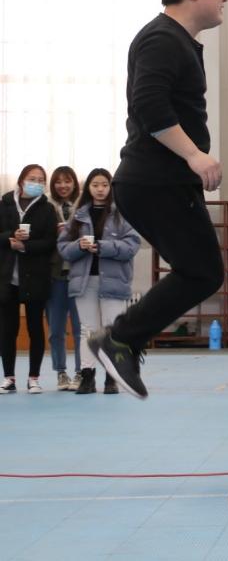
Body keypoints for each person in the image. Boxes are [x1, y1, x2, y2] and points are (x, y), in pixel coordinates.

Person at [88, 0, 227, 399]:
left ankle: (122, 339)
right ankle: (120, 339)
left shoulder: (179, 41)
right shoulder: (162, 39)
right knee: (202, 272)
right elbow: (148, 104)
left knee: (201, 271)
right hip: (155, 180)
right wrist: (194, 155)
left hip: (162, 182)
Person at [58, 168, 141, 395]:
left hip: (114, 283)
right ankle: (87, 376)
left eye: (104, 185)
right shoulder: (78, 216)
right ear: (88, 188)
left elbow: (132, 245)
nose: (100, 189)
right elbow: (63, 248)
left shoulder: (122, 214)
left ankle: (111, 378)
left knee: (111, 331)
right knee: (88, 331)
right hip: (84, 283)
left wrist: (103, 247)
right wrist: (79, 246)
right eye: (95, 185)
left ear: (110, 187)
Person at [0, 165, 58, 394]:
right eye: (32, 178)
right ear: (21, 180)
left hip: (36, 277)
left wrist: (26, 246)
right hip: (7, 278)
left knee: (35, 328)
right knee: (7, 330)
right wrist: (10, 238)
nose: (37, 183)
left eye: (41, 180)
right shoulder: (4, 204)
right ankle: (9, 377)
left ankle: (34, 378)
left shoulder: (48, 209)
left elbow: (50, 242)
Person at [47, 165, 82, 391]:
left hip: (79, 276)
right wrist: (55, 233)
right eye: (58, 181)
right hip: (55, 276)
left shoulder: (84, 205)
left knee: (81, 329)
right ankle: (61, 372)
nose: (63, 185)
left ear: (74, 183)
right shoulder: (46, 206)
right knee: (56, 329)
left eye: (67, 181)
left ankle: (80, 372)